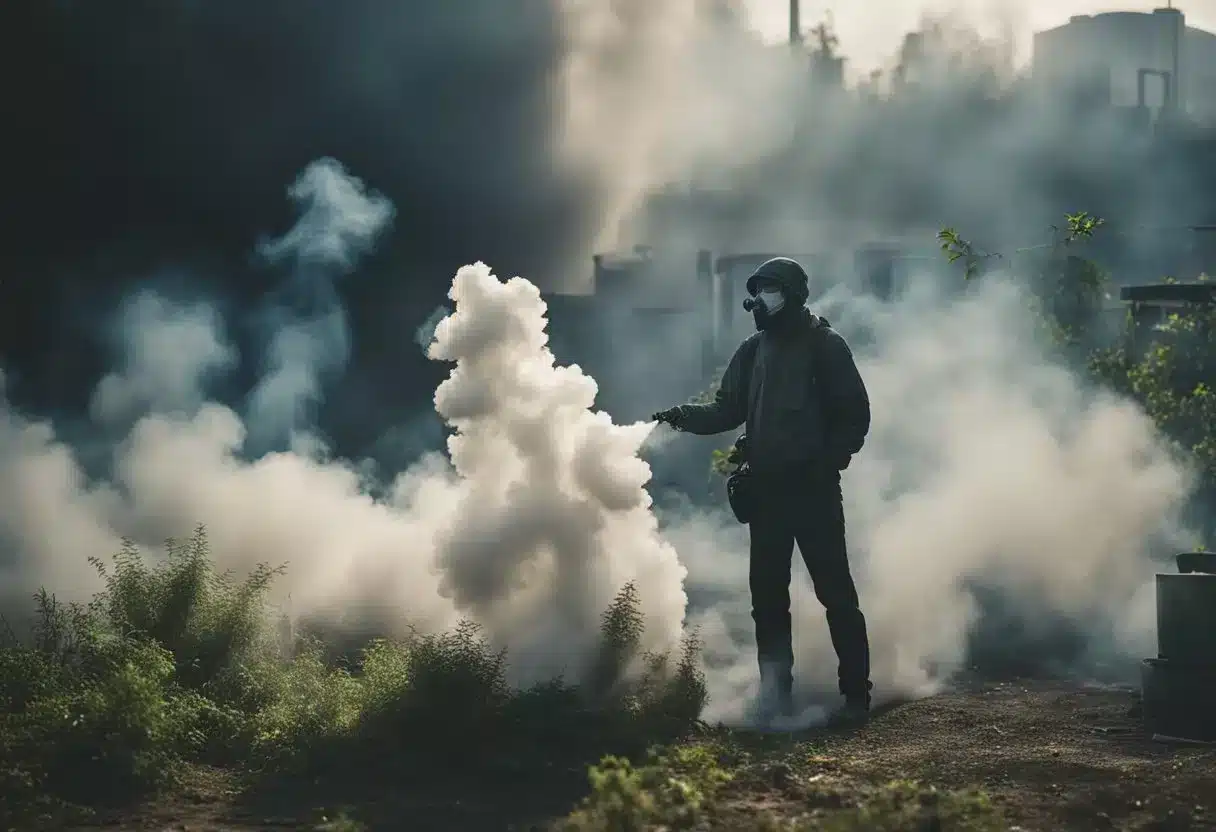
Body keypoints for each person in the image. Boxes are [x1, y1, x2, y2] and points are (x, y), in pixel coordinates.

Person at [652, 256, 872, 724]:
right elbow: (725, 410)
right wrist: (681, 416)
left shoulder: (825, 346)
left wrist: (828, 463)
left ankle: (856, 695)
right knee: (768, 601)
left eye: (770, 289)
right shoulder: (754, 350)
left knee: (836, 595)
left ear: (792, 295)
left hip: (813, 493)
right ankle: (776, 696)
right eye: (758, 289)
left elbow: (854, 415)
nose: (759, 299)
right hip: (769, 494)